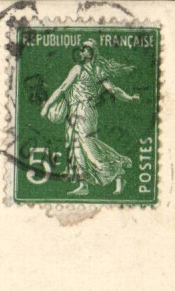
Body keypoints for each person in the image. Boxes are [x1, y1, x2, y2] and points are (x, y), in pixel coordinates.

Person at [41, 39, 139, 196]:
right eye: (82, 48)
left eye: (86, 48)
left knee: (88, 145)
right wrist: (47, 106)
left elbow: (113, 90)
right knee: (75, 147)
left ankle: (117, 171)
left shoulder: (92, 70)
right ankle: (83, 185)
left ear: (93, 51)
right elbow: (63, 87)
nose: (83, 51)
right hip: (74, 111)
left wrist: (129, 98)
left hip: (85, 110)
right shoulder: (80, 68)